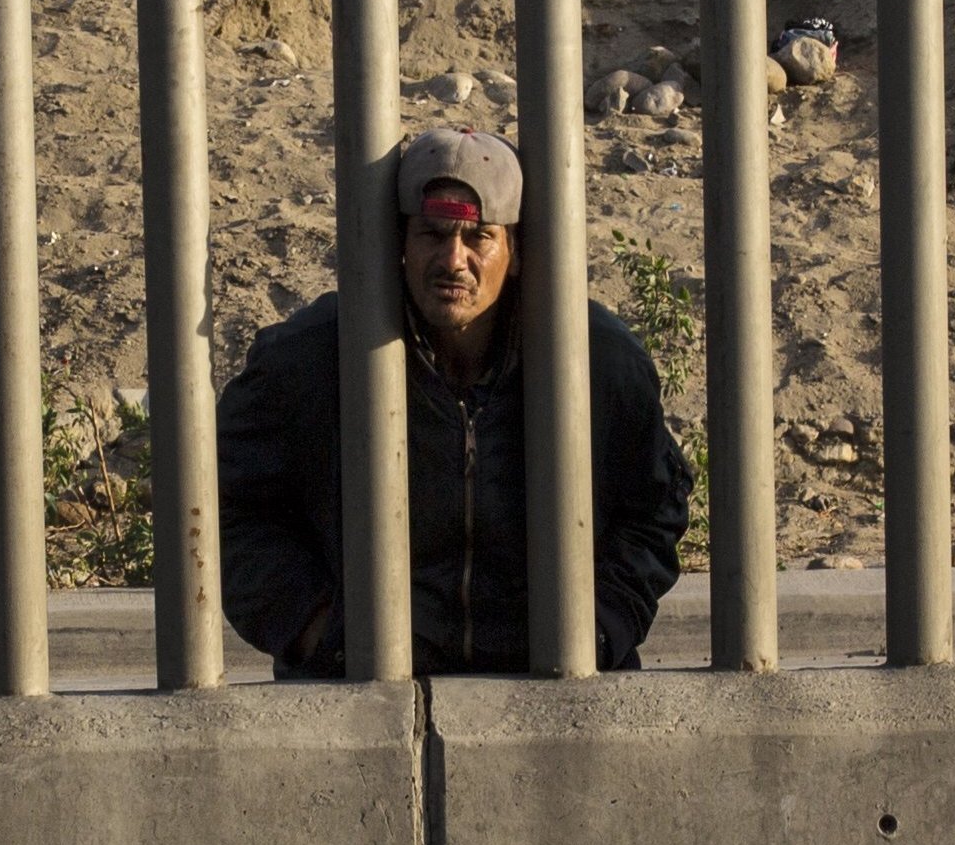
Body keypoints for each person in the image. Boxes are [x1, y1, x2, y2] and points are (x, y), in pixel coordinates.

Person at [217, 128, 697, 679]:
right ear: (400, 243)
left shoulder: (596, 361)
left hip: (552, 695)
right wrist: (319, 630)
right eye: (432, 233)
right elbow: (228, 503)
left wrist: (598, 629)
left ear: (514, 252)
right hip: (362, 691)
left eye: (479, 237)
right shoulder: (315, 358)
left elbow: (653, 511)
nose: (453, 259)